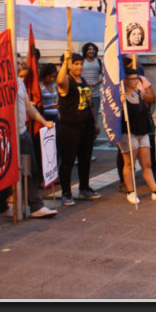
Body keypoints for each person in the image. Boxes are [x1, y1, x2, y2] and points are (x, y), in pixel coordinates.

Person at [0, 53, 59, 220]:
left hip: (22, 133)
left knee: (31, 170)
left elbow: (28, 106)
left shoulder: (19, 82)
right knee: (5, 172)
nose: (18, 65)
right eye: (14, 62)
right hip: (5, 135)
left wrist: (44, 122)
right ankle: (0, 206)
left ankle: (35, 205)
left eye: (19, 62)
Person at [118, 67, 156, 204]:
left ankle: (155, 192)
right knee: (130, 164)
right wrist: (120, 102)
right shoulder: (120, 96)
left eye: (137, 78)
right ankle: (131, 192)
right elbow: (115, 116)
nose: (136, 81)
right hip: (129, 133)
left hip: (143, 132)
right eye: (132, 79)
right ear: (124, 80)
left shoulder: (138, 92)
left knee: (147, 164)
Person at [56, 51, 101, 206]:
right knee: (67, 161)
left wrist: (95, 122)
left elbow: (89, 103)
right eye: (76, 64)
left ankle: (84, 187)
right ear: (69, 65)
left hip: (86, 126)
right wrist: (65, 61)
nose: (79, 67)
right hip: (70, 127)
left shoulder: (82, 80)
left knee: (85, 159)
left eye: (81, 64)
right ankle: (66, 193)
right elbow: (59, 80)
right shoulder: (67, 82)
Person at [80, 42, 103, 117]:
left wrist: (97, 83)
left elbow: (106, 77)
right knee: (83, 116)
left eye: (93, 49)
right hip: (82, 94)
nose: (91, 51)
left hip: (95, 94)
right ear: (85, 51)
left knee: (94, 116)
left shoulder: (99, 62)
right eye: (89, 49)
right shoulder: (81, 61)